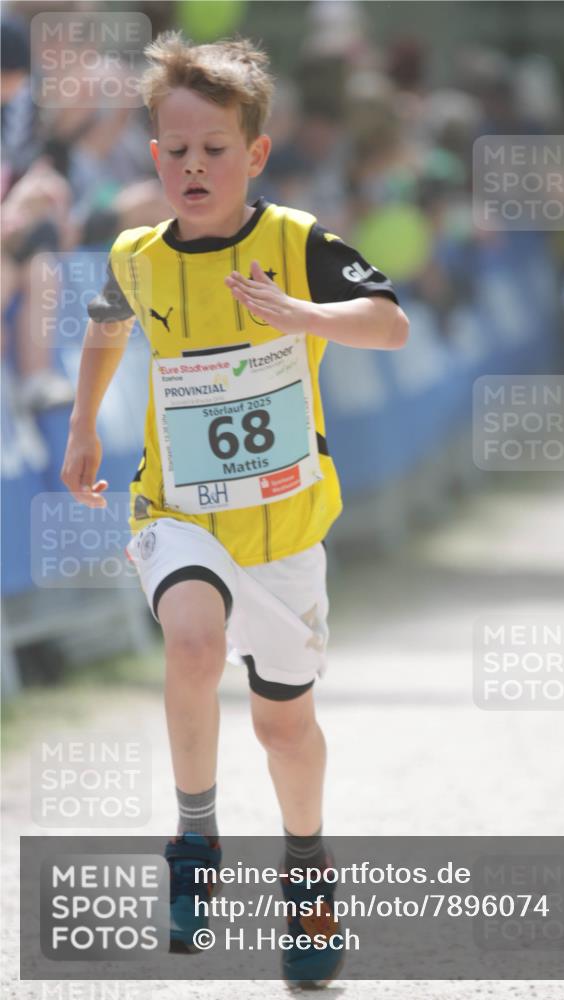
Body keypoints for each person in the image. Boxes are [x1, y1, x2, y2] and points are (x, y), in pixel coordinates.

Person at [60, 31, 408, 987]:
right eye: (173, 150)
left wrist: (306, 316)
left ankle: (307, 874)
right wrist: (85, 425)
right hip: (175, 511)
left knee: (282, 727)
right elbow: (104, 323)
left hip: (285, 531)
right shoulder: (136, 255)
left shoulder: (297, 242)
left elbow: (393, 321)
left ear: (254, 154)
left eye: (214, 149)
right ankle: (196, 840)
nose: (192, 167)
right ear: (152, 153)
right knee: (191, 642)